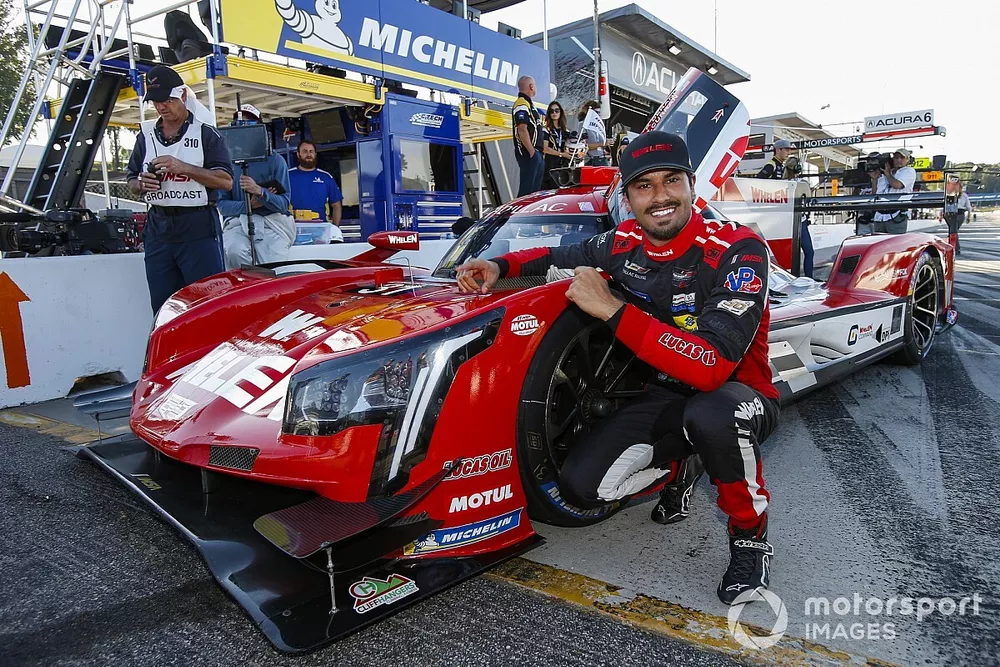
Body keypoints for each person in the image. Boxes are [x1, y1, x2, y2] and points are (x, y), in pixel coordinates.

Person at [455, 131, 780, 604]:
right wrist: (498, 265)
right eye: (643, 186)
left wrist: (611, 310)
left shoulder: (738, 249)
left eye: (671, 181)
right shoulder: (624, 242)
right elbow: (554, 256)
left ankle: (750, 539)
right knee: (581, 487)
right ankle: (679, 469)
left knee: (712, 414)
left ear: (692, 185)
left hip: (737, 395)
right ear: (627, 197)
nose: (660, 196)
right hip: (666, 396)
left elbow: (711, 368)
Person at [126, 65, 233, 313]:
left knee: (207, 305)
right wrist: (141, 184)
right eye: (155, 101)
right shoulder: (145, 134)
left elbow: (226, 181)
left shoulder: (207, 134)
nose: (162, 106)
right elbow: (131, 180)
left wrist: (184, 168)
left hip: (198, 226)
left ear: (183, 96)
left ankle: (207, 351)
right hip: (158, 228)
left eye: (168, 99)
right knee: (163, 308)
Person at [217, 104, 295, 268]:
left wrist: (261, 192)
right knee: (233, 251)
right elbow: (222, 205)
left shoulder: (276, 161)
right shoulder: (226, 163)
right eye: (240, 123)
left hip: (273, 224)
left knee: (276, 265)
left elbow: (283, 203)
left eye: (249, 123)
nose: (244, 128)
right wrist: (248, 206)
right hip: (238, 223)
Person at [288, 139, 344, 242]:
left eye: (311, 151)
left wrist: (334, 229)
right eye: (304, 151)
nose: (308, 154)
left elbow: (336, 205)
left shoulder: (326, 177)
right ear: (298, 154)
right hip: (294, 229)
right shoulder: (287, 176)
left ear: (315, 154)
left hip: (320, 231)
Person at [511, 76, 545, 197]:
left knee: (534, 193)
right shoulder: (521, 103)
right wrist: (531, 152)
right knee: (527, 192)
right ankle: (519, 215)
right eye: (534, 85)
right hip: (529, 153)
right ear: (531, 86)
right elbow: (522, 128)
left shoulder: (530, 105)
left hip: (537, 153)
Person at [870, 149, 916, 234]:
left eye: (902, 158)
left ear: (907, 160)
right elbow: (875, 194)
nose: (899, 160)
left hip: (897, 215)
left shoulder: (909, 171)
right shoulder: (885, 173)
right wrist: (875, 179)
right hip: (880, 216)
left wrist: (887, 174)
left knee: (895, 245)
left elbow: (897, 185)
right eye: (896, 157)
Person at [784, 156, 813, 278]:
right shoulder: (802, 184)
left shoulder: (782, 183)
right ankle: (808, 279)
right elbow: (809, 198)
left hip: (788, 222)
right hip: (800, 222)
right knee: (809, 252)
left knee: (791, 256)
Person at [540, 101, 571, 190]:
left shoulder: (567, 132)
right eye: (551, 111)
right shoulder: (546, 130)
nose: (554, 113)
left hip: (564, 167)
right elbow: (545, 149)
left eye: (557, 110)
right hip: (550, 166)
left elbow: (570, 149)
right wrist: (561, 154)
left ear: (561, 112)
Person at [577, 100, 609, 166]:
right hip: (591, 160)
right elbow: (584, 146)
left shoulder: (599, 126)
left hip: (602, 158)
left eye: (599, 113)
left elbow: (602, 145)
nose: (597, 115)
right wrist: (601, 144)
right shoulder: (583, 125)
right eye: (595, 112)